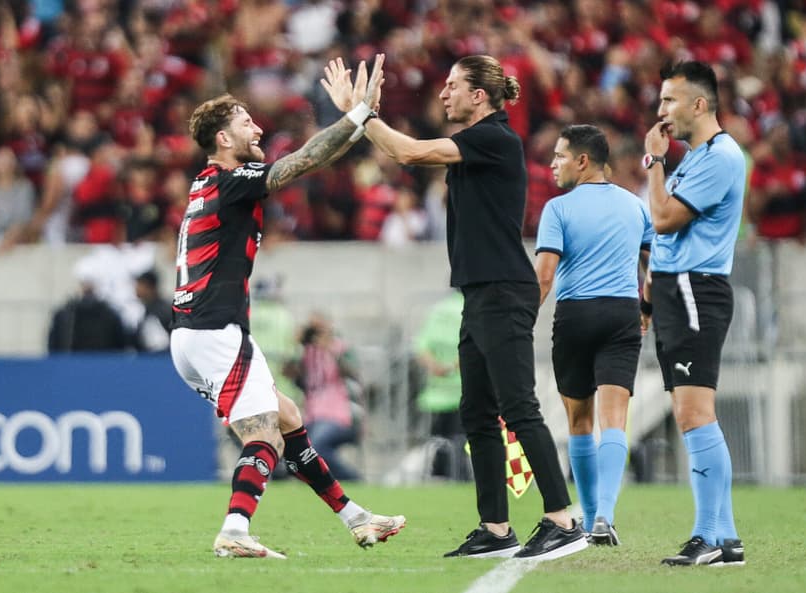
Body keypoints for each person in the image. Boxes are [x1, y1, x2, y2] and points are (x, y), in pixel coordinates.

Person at [321, 54, 586, 561]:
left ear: (479, 96)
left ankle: (562, 519)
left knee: (518, 408)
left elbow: (410, 153)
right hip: (479, 292)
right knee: (478, 414)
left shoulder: (494, 138)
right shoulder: (479, 143)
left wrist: (362, 114)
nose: (442, 95)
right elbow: (403, 151)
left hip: (502, 290)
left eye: (452, 86)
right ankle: (496, 528)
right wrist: (362, 118)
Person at [169, 54, 405, 560]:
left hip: (191, 334)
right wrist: (359, 115)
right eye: (244, 121)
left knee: (288, 417)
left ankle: (357, 519)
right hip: (215, 330)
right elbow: (302, 161)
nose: (257, 126)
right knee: (264, 438)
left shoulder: (208, 183)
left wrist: (358, 119)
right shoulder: (232, 182)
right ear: (222, 140)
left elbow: (309, 158)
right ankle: (234, 530)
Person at [642, 61, 746, 566]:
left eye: (668, 101)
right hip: (676, 290)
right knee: (693, 414)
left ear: (698, 105)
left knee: (693, 413)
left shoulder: (720, 157)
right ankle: (725, 538)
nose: (660, 111)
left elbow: (663, 220)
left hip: (693, 290)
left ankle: (707, 535)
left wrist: (653, 161)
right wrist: (648, 293)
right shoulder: (698, 156)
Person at [534, 124, 654, 546]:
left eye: (560, 156)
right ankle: (605, 516)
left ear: (583, 161)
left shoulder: (558, 209)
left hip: (576, 314)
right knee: (614, 420)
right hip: (622, 313)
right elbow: (655, 260)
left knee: (579, 422)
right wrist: (647, 305)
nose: (553, 165)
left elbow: (544, 278)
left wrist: (519, 326)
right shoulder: (635, 207)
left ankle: (586, 518)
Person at [291, 314, 364, 482]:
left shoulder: (341, 349)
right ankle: (317, 484)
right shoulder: (306, 352)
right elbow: (290, 373)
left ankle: (352, 479)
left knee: (315, 447)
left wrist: (330, 349)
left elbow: (354, 373)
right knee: (293, 449)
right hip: (313, 415)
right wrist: (296, 346)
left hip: (342, 416)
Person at [413, 289, 468, 480]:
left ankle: (439, 473)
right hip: (463, 390)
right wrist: (453, 367)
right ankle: (459, 476)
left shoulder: (438, 310)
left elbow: (421, 347)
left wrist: (437, 368)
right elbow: (474, 347)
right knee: (461, 442)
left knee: (439, 440)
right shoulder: (470, 308)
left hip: (436, 393)